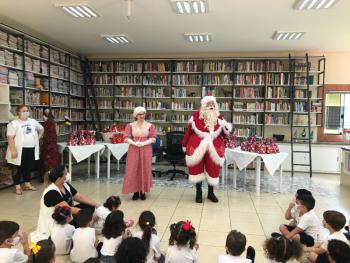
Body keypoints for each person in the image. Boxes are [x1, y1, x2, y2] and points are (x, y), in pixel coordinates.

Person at [181, 96, 232, 203]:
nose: (211, 106)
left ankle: (210, 193)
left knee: (213, 169)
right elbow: (188, 132)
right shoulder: (195, 116)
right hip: (197, 146)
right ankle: (198, 193)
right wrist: (184, 144)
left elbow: (224, 134)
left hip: (214, 147)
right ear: (204, 105)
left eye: (213, 104)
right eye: (209, 104)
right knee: (197, 169)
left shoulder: (219, 117)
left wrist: (226, 129)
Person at [32, 165, 98, 241]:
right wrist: (87, 215)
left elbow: (79, 197)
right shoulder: (51, 192)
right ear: (59, 178)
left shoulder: (65, 185)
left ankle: (85, 224)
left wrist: (97, 205)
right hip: (58, 220)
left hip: (67, 215)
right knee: (86, 215)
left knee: (89, 206)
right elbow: (68, 209)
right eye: (66, 174)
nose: (68, 175)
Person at [6, 104, 44, 195]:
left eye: (27, 110)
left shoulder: (33, 121)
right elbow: (10, 137)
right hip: (18, 150)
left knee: (28, 168)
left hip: (31, 149)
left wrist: (37, 138)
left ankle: (27, 184)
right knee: (17, 168)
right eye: (23, 111)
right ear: (18, 112)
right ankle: (17, 187)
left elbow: (41, 129)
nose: (26, 112)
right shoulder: (14, 123)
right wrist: (13, 150)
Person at [122, 106, 157, 201]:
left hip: (146, 149)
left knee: (144, 168)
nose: (142, 116)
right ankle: (135, 191)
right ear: (135, 115)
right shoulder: (130, 125)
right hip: (133, 149)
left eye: (143, 114)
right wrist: (134, 143)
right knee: (133, 169)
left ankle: (143, 191)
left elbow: (153, 138)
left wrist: (144, 143)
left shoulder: (150, 126)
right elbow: (126, 137)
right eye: (140, 114)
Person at [40, 109, 59, 181]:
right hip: (52, 145)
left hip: (48, 145)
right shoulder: (53, 122)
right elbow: (55, 133)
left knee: (47, 161)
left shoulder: (48, 123)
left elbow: (48, 134)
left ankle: (46, 177)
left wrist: (42, 136)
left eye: (44, 116)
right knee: (52, 160)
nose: (43, 117)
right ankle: (53, 176)